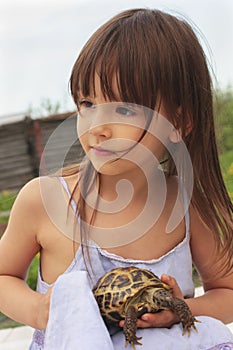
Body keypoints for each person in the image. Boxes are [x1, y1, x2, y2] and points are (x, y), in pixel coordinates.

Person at [0, 8, 233, 350]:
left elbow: (227, 292)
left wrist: (180, 311)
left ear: (178, 122)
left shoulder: (188, 204)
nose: (97, 127)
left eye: (123, 110)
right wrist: (38, 311)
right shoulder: (44, 200)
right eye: (88, 103)